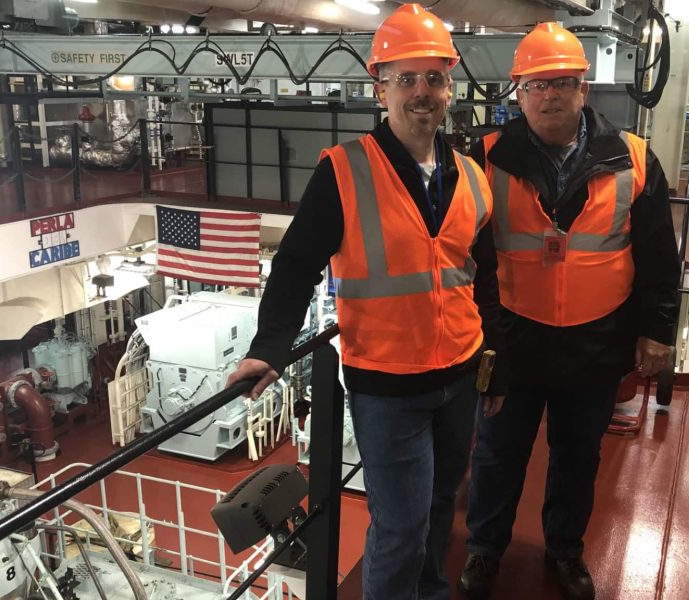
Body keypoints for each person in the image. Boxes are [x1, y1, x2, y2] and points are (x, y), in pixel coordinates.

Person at [225, 5, 507, 599]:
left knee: (437, 509)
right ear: (380, 88)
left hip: (460, 374)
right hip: (387, 384)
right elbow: (296, 266)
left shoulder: (472, 176)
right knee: (401, 525)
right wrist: (269, 347)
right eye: (405, 79)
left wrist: (494, 356)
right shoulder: (344, 172)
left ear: (449, 87)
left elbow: (483, 276)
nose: (421, 93)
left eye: (433, 77)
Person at [456, 22, 680, 600]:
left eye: (562, 82)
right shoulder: (483, 157)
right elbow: (459, 253)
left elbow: (658, 255)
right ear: (518, 92)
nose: (549, 95)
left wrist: (657, 332)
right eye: (536, 85)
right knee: (497, 456)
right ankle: (484, 551)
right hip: (511, 339)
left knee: (578, 457)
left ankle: (564, 552)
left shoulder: (633, 159)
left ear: (584, 87)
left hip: (596, 341)